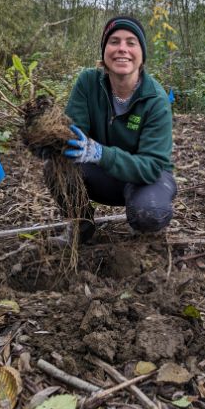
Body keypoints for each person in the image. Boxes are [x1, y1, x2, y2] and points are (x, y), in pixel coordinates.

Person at [48, 16, 176, 246]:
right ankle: (81, 227)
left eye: (131, 42)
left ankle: (144, 241)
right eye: (114, 41)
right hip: (105, 175)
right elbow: (73, 134)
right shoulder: (88, 82)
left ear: (142, 53)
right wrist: (50, 138)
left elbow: (152, 166)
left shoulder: (155, 99)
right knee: (57, 166)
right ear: (104, 50)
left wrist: (100, 153)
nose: (122, 49)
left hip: (146, 179)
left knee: (150, 211)